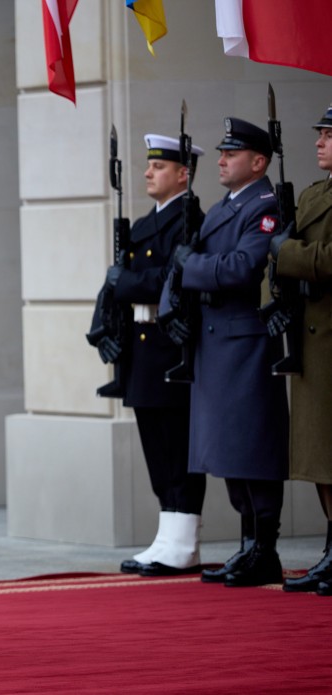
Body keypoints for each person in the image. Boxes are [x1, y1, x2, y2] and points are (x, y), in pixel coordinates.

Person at [159, 117, 288, 588]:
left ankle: (264, 549)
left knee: (253, 448)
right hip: (216, 344)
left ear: (258, 162)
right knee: (231, 452)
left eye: (232, 154)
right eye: (221, 153)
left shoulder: (265, 207)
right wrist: (174, 301)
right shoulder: (221, 208)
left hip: (244, 342)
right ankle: (247, 545)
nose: (221, 160)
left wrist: (191, 264)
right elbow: (192, 263)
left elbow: (243, 267)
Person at [93, 135, 208, 577]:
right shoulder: (144, 224)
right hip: (143, 352)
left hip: (171, 348)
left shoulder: (191, 222)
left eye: (159, 167)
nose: (147, 173)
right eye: (148, 165)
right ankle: (168, 537)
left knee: (178, 450)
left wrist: (124, 283)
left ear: (183, 174)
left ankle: (185, 542)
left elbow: (170, 280)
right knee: (157, 452)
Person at [269, 104, 332, 595]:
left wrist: (286, 252)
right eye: (319, 134)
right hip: (312, 343)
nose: (319, 142)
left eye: (328, 135)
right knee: (317, 458)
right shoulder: (314, 194)